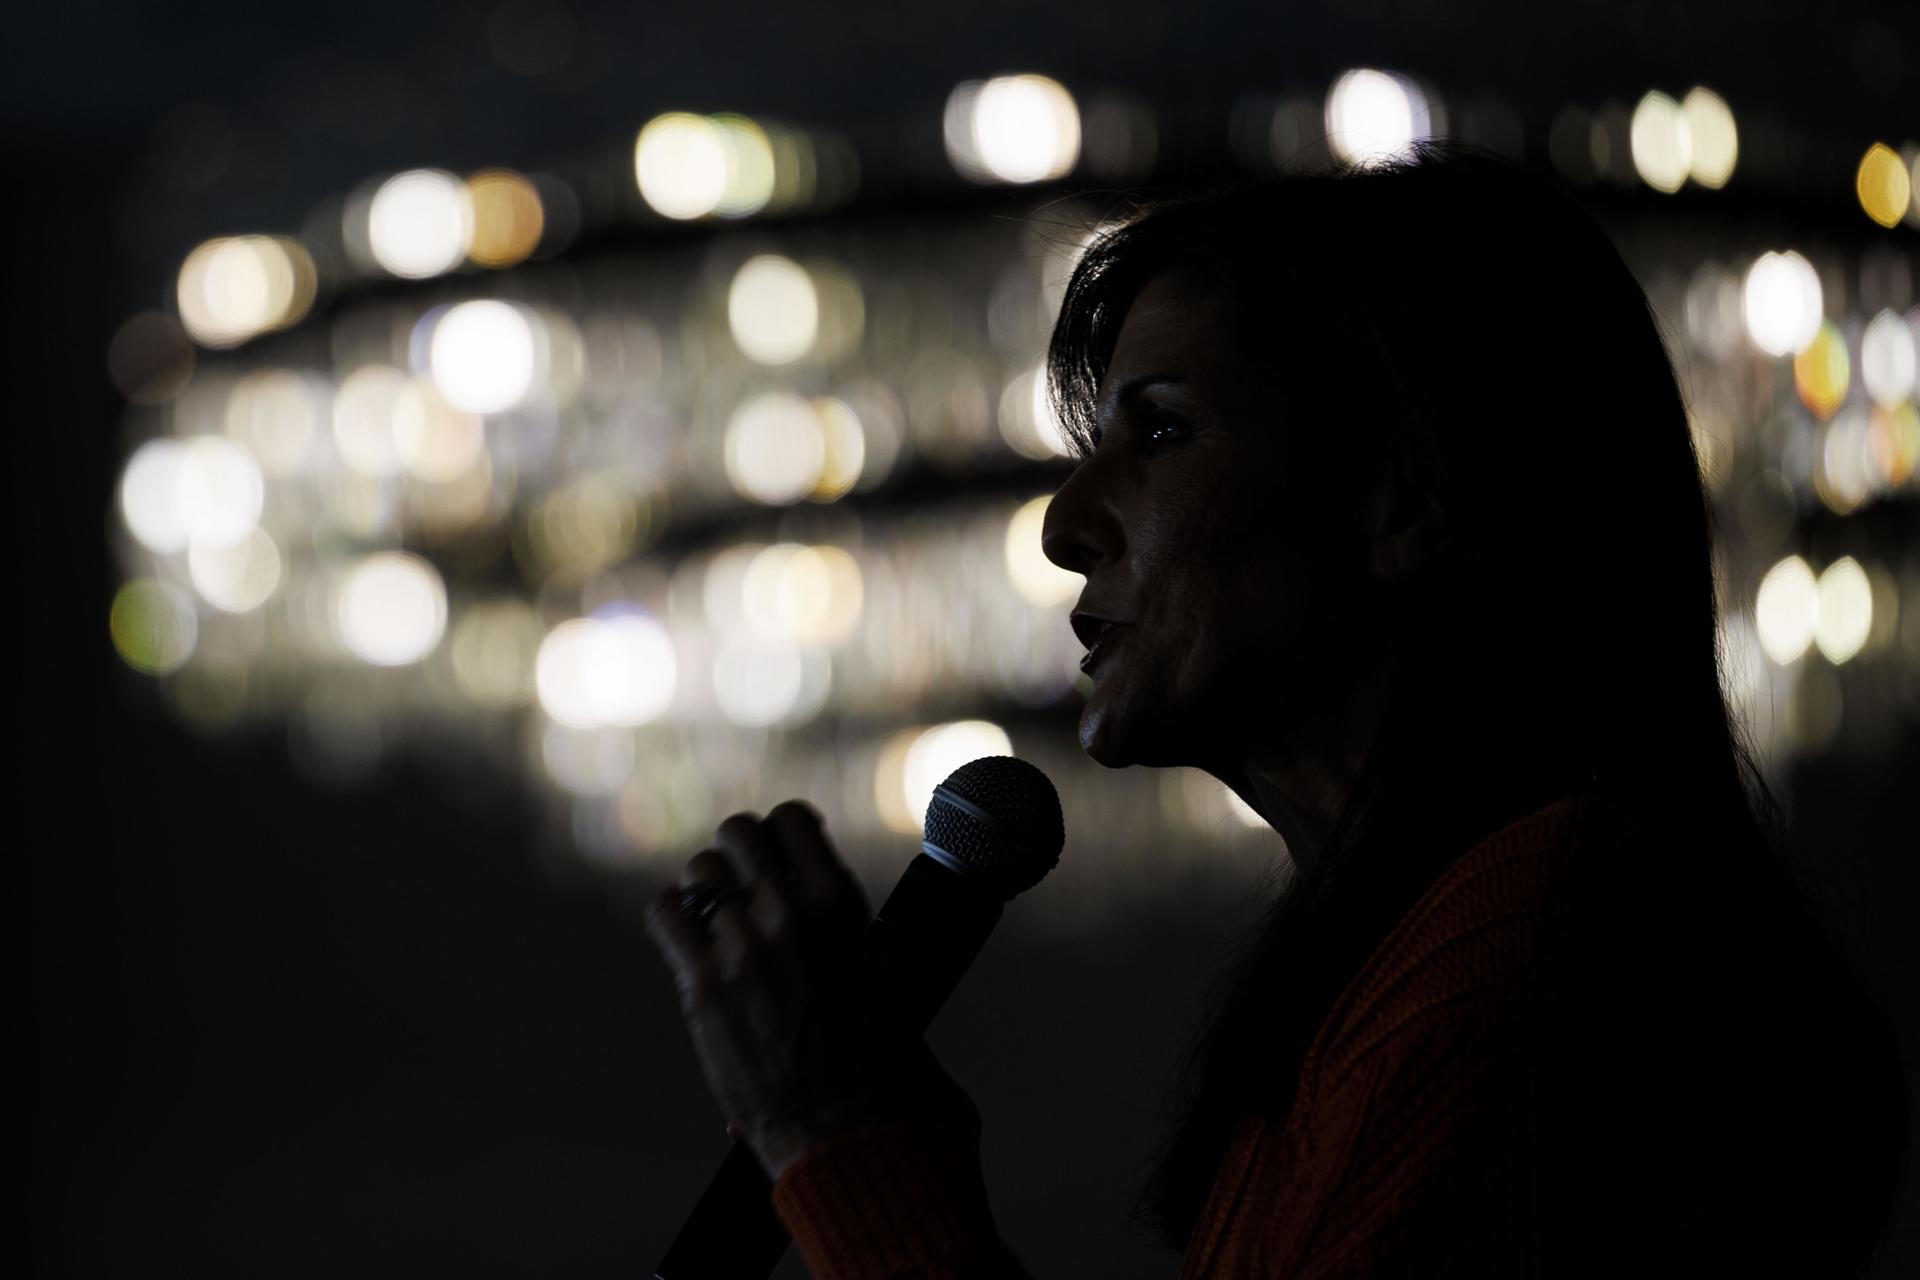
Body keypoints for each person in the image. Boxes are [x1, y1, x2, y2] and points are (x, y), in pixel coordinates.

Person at [643, 138, 1910, 1277]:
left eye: (1162, 434)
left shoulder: (1540, 941)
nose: (1067, 525)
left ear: (1409, 501)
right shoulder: (1420, 957)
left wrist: (840, 1136)